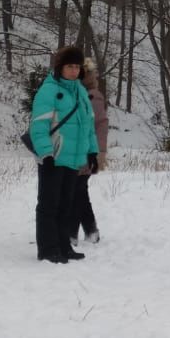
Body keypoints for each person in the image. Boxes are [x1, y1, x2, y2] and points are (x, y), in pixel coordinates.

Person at [29, 45, 99, 264]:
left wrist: (92, 152)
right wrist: (46, 154)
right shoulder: (49, 90)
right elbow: (39, 125)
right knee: (49, 205)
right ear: (60, 67)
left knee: (66, 205)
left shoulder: (80, 91)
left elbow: (88, 125)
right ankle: (48, 249)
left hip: (74, 158)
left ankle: (63, 246)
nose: (74, 71)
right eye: (70, 66)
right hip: (54, 156)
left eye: (77, 67)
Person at [70, 57, 109, 247]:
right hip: (79, 149)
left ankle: (71, 233)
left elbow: (100, 125)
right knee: (79, 192)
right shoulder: (80, 93)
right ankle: (91, 231)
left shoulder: (92, 96)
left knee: (75, 191)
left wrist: (100, 151)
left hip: (86, 151)